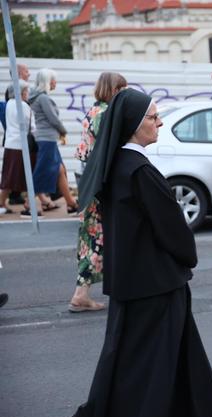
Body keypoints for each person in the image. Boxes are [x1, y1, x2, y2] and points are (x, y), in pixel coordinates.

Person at [58, 89, 212, 417]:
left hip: (132, 279)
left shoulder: (117, 165)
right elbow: (172, 229)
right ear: (134, 125)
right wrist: (187, 258)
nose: (160, 123)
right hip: (156, 283)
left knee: (164, 357)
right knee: (148, 366)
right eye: (153, 117)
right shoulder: (139, 170)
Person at [67, 72, 128, 313]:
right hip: (99, 184)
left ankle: (83, 293)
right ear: (112, 90)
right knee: (96, 239)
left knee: (91, 238)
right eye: (121, 88)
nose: (124, 92)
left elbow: (85, 152)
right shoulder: (105, 114)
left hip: (90, 181)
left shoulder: (93, 111)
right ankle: (81, 295)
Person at [30, 68, 78, 216]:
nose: (55, 82)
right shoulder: (43, 98)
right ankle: (28, 206)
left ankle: (71, 204)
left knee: (60, 170)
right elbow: (53, 119)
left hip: (46, 138)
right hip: (47, 139)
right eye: (53, 80)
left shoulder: (35, 97)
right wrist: (63, 131)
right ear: (47, 81)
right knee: (41, 172)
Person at [0, 81, 38, 215]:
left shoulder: (9, 104)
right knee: (29, 176)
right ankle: (29, 205)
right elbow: (32, 127)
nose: (28, 94)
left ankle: (1, 203)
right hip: (23, 146)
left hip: (10, 144)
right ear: (21, 92)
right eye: (26, 91)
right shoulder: (23, 105)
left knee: (9, 177)